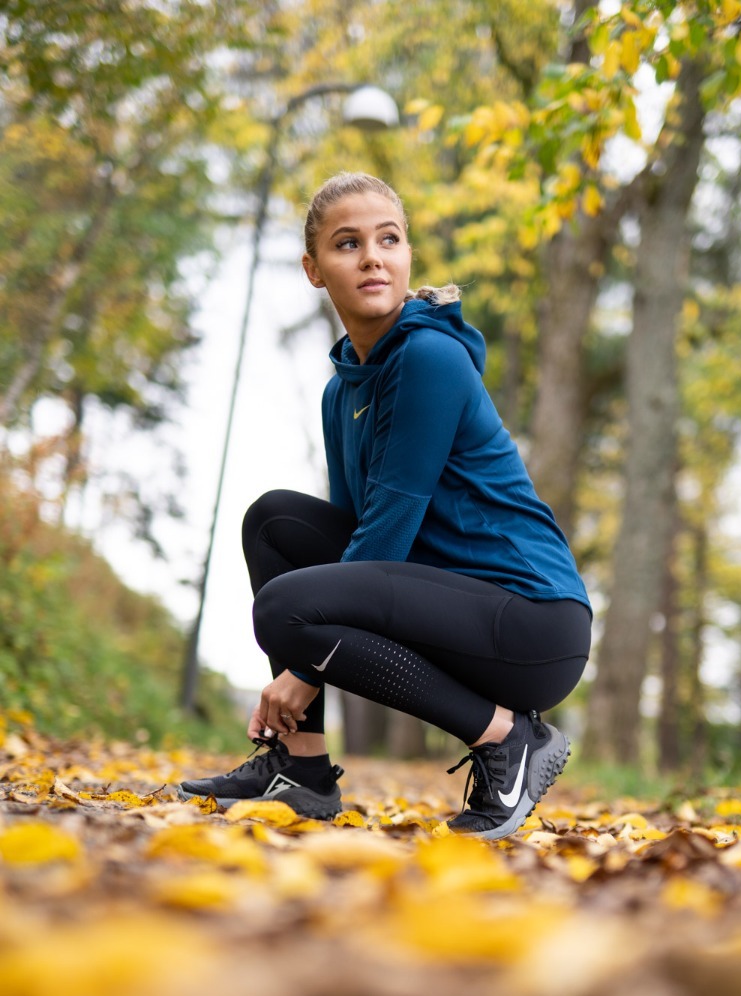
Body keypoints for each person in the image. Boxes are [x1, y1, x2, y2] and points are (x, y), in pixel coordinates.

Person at [178, 171, 592, 839]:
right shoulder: (341, 390)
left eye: (388, 239)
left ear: (407, 258)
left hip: (530, 623)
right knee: (275, 523)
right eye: (348, 244)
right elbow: (352, 547)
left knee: (287, 608)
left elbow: (384, 537)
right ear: (314, 270)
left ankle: (507, 740)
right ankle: (302, 772)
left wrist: (301, 673)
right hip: (448, 601)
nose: (372, 256)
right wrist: (301, 660)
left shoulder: (431, 357)